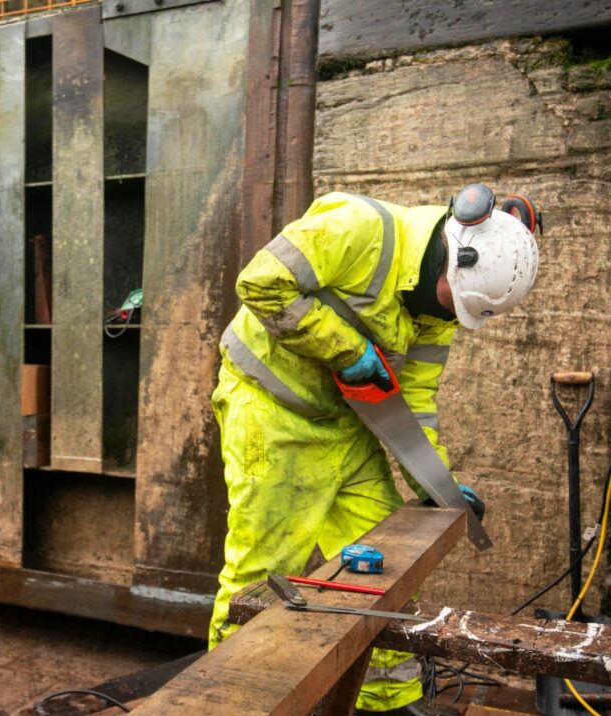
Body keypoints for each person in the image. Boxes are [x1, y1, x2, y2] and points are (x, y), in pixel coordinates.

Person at [208, 185, 540, 715]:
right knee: (264, 575)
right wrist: (346, 349)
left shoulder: (439, 312)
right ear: (453, 254)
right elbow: (260, 283)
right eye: (455, 301)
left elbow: (416, 405)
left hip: (347, 427)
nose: (451, 316)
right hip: (273, 412)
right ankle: (231, 703)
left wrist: (439, 486)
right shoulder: (359, 227)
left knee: (384, 568)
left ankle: (387, 703)